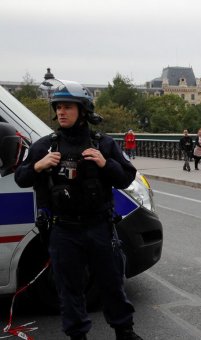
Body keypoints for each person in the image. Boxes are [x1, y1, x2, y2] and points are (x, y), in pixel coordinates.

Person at [13, 79, 141, 340]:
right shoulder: (45, 146)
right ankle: (77, 335)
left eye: (68, 107)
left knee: (112, 283)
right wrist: (38, 166)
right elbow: (21, 178)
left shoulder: (102, 143)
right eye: (58, 107)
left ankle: (124, 331)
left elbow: (126, 177)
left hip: (100, 227)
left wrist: (106, 164)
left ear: (83, 110)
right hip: (64, 230)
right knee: (68, 288)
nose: (61, 111)